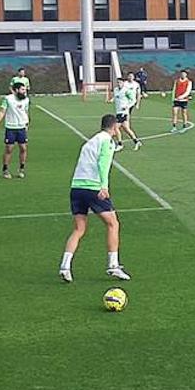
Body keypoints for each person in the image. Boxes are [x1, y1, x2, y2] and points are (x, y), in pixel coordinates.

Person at [59, 114, 132, 283]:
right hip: (93, 188)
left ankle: (65, 266)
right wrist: (104, 186)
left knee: (79, 229)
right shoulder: (107, 142)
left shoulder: (89, 142)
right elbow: (103, 164)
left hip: (76, 187)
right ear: (114, 127)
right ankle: (113, 265)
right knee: (113, 223)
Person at [0, 83, 30, 178]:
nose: (24, 91)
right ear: (16, 90)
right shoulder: (8, 99)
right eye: (22, 89)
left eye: (25, 90)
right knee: (9, 149)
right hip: (11, 127)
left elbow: (25, 111)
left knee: (23, 148)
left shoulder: (26, 99)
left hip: (21, 127)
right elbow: (2, 111)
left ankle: (21, 168)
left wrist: (27, 123)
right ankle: (5, 169)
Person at [111, 77, 142, 151]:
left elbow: (133, 100)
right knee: (126, 129)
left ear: (123, 83)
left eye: (120, 82)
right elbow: (115, 97)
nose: (119, 84)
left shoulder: (126, 91)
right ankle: (136, 142)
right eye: (118, 82)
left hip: (123, 112)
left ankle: (120, 144)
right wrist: (111, 100)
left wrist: (127, 107)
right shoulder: (116, 90)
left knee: (116, 127)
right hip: (118, 111)